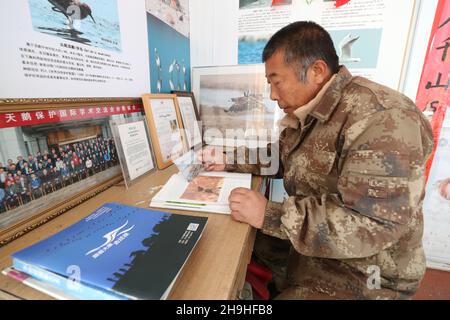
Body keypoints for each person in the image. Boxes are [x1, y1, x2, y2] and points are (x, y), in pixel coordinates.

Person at [200, 21, 434, 299]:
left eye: (277, 82)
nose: (273, 95)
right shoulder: (311, 112)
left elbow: (370, 224)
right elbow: (282, 155)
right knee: (236, 245)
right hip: (322, 247)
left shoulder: (383, 118)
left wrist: (270, 214)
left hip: (367, 273)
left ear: (317, 72)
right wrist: (228, 159)